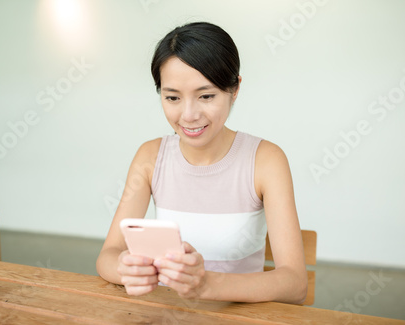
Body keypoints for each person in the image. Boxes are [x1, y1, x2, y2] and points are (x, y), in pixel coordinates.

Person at [96, 22, 307, 304]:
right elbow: (108, 256)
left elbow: (294, 284)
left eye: (206, 96)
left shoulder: (266, 161)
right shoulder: (150, 157)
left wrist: (207, 284)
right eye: (172, 97)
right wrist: (126, 268)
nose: (189, 115)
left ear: (234, 89)